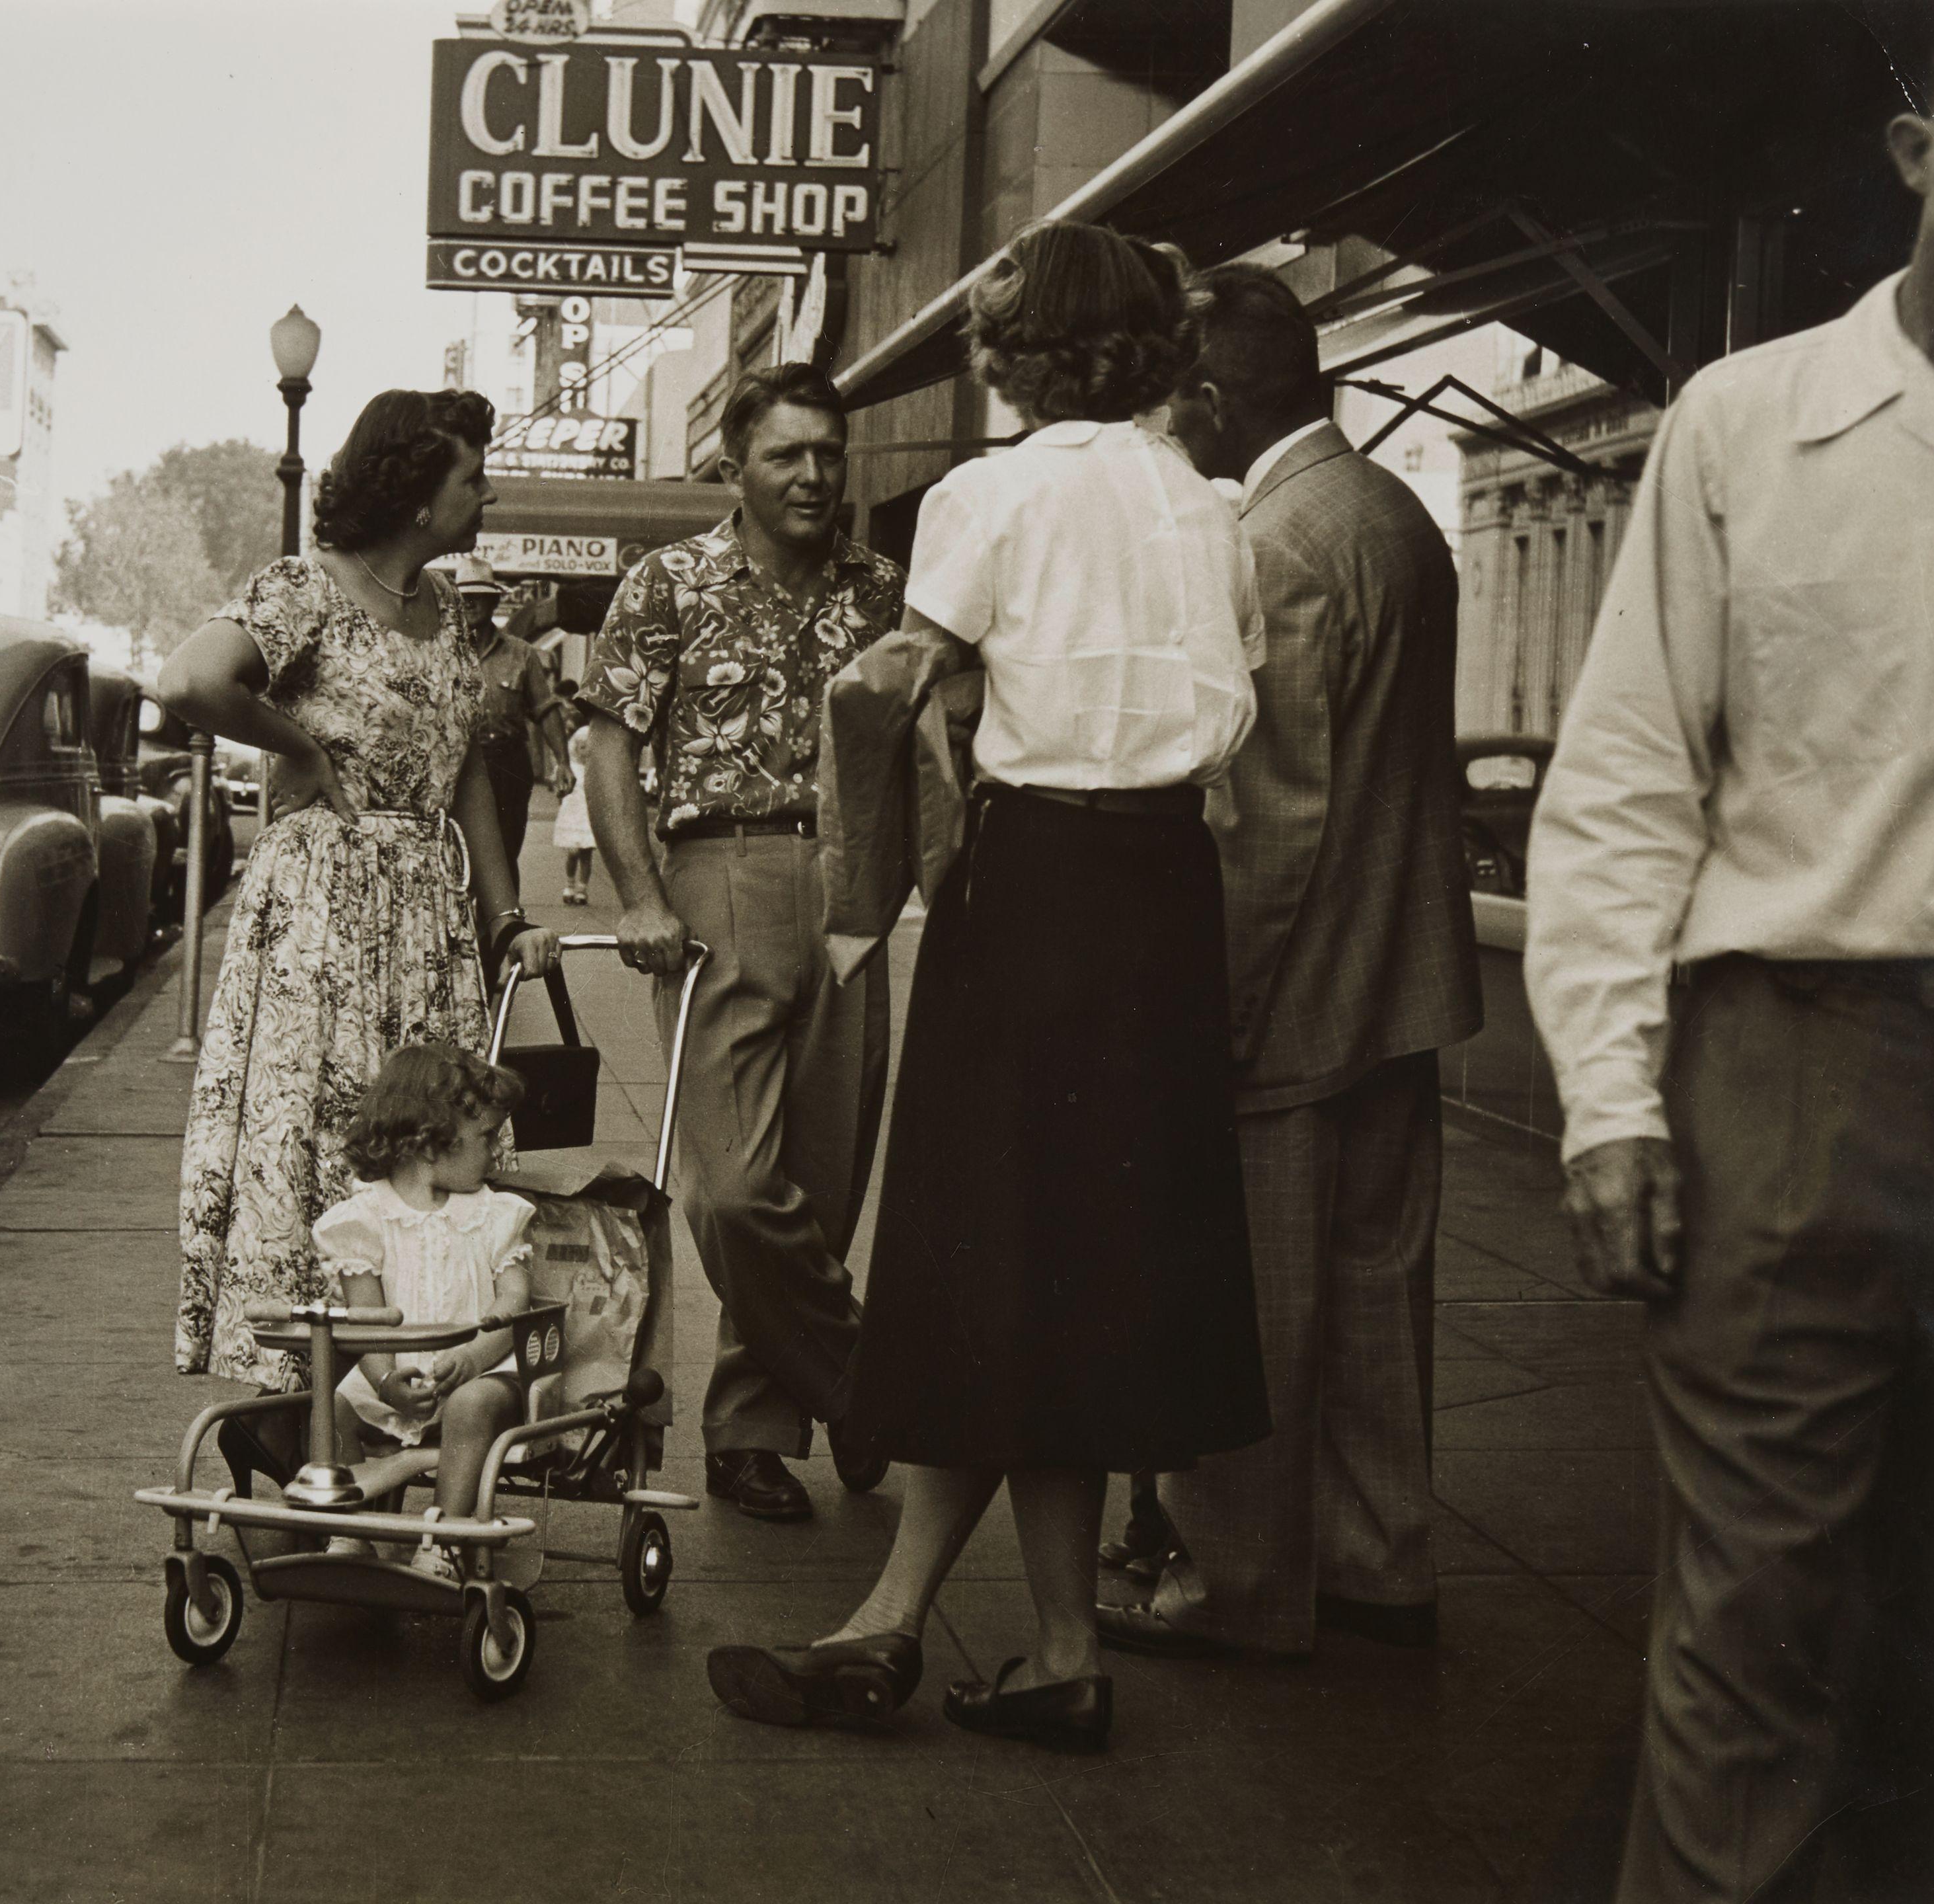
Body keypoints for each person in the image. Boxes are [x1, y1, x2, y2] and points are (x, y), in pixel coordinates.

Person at [706, 223, 1269, 1753]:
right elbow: (1233, 713)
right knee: (1070, 1273)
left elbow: (883, 684)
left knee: (980, 1262)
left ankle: (901, 1624)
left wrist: (859, 894)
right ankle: (1044, 1646)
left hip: (1027, 898)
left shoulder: (991, 493)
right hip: (1163, 902)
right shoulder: (1210, 506)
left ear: (1030, 350)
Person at [1524, 81, 1934, 1904]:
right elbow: (1625, 783)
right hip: (1798, 1062)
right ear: (1918, 154)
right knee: (1756, 1622)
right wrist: (1611, 1103)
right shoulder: (1754, 425)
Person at [1095, 266, 1482, 1661]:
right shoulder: (1393, 517)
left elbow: (1267, 809)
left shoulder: (1263, 548)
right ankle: (1382, 1564)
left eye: (1171, 391)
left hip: (1295, 992)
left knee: (1250, 1304)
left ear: (1211, 394)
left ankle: (1237, 1580)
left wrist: (1217, 1008)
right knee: (1383, 1287)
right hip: (1404, 978)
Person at [161, 388, 560, 1474]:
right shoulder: (306, 588)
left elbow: (469, 760)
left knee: (419, 1150)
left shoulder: (443, 608)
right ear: (417, 490)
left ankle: (403, 1408)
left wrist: (504, 907)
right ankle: (293, 1414)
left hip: (426, 917)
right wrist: (301, 743)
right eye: (472, 476)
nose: (486, 494)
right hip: (325, 914)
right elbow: (192, 680)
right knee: (312, 1149)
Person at [579, 362, 906, 1523]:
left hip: (853, 885)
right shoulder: (666, 583)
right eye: (789, 455)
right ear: (735, 465)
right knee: (733, 1191)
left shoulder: (881, 589)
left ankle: (752, 1432)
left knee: (822, 1177)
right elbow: (607, 741)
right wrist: (637, 894)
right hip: (716, 873)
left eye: (830, 454)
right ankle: (867, 1384)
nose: (815, 475)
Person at [318, 1043, 534, 1579]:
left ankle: (444, 1535)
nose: (496, 1155)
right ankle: (350, 1527)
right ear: (430, 1145)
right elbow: (365, 1322)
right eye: (486, 1138)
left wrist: (473, 1355)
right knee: (332, 1407)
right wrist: (385, 1379)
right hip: (397, 1369)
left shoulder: (492, 1214)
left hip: (481, 1369)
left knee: (473, 1403)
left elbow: (514, 1302)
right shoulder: (363, 1219)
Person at [456, 553, 571, 894]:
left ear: (493, 602)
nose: (471, 604)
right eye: (464, 598)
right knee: (455, 853)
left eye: (479, 597)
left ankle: (499, 936)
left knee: (504, 855)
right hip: (458, 765)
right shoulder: (442, 648)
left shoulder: (521, 653)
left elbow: (546, 708)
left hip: (506, 764)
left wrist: (563, 763)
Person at [553, 716, 595, 904]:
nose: (585, 751)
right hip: (572, 816)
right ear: (576, 747)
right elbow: (560, 791)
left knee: (586, 854)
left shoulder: (594, 770)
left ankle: (582, 889)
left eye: (588, 747)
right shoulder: (572, 768)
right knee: (573, 852)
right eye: (582, 746)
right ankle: (569, 884)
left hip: (588, 817)